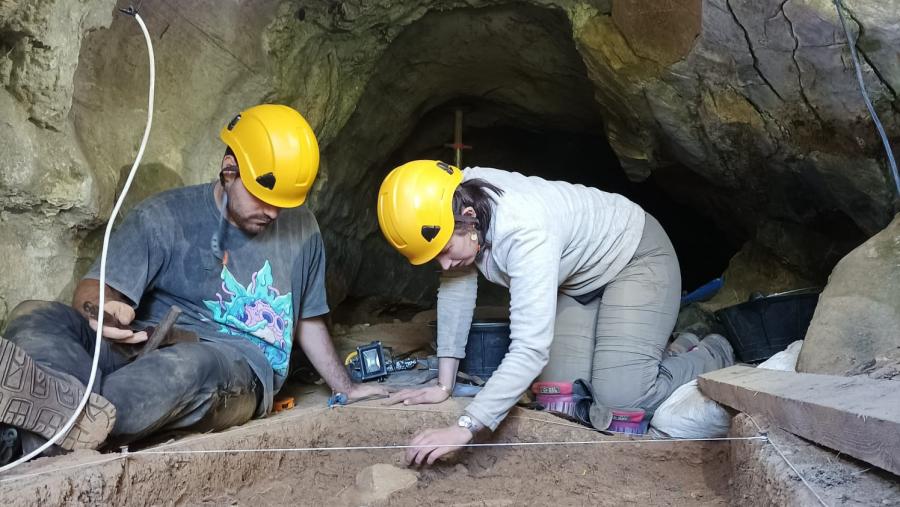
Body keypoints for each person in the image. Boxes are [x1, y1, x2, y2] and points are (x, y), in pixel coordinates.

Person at [0, 104, 385, 464]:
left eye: (282, 201)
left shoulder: (303, 230)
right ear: (229, 169)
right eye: (262, 196)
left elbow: (309, 321)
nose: (273, 211)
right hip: (138, 345)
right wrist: (106, 310)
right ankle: (62, 416)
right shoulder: (163, 215)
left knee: (189, 367)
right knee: (36, 316)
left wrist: (345, 387)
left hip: (237, 365)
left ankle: (47, 429)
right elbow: (93, 291)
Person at [377, 160, 733, 465]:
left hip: (635, 259)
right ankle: (653, 351)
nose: (444, 263)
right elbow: (456, 287)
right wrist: (444, 384)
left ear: (468, 217)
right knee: (561, 398)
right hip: (578, 284)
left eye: (444, 249)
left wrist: (466, 425)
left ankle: (712, 349)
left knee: (621, 400)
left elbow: (530, 348)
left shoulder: (523, 229)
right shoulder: (454, 198)